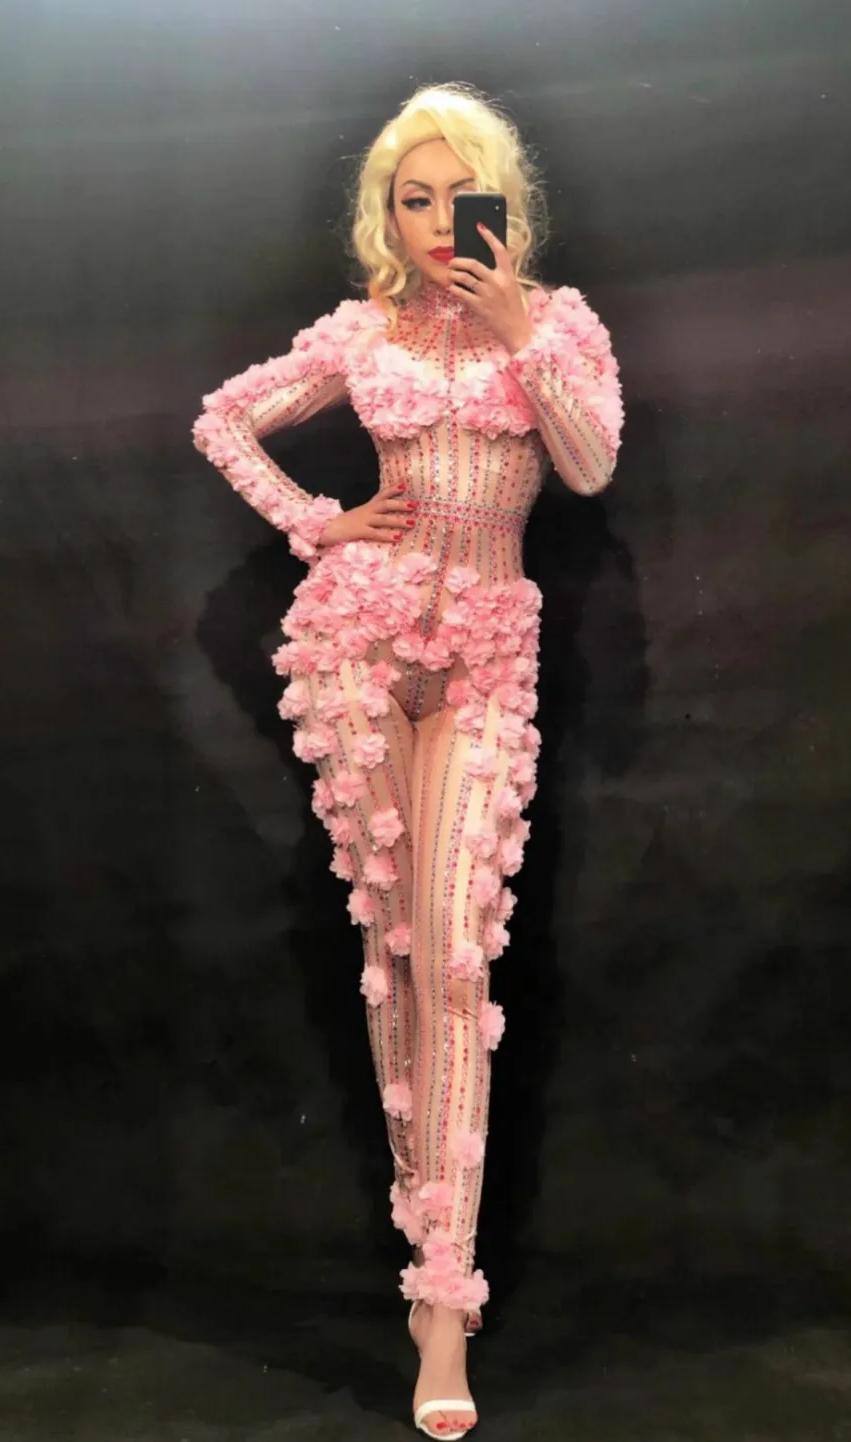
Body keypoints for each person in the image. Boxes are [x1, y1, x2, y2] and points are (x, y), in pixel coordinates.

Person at [191, 80, 623, 1440]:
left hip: (487, 653)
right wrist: (316, 520)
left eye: (457, 193)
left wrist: (517, 332)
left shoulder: (556, 327)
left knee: (456, 953)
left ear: (503, 198)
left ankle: (447, 1295)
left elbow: (589, 465)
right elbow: (223, 420)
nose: (438, 220)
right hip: (359, 647)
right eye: (412, 197)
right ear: (387, 211)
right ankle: (428, 1265)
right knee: (395, 944)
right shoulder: (362, 329)